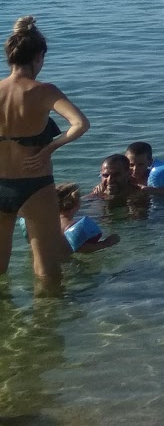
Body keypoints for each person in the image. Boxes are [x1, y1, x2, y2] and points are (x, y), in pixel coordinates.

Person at [1, 15, 91, 287]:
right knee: (47, 271)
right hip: (35, 185)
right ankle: (47, 325)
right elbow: (80, 124)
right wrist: (50, 147)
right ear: (39, 57)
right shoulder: (44, 91)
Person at [57, 183, 118, 254]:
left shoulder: (53, 222)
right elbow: (81, 248)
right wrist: (105, 243)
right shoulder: (73, 225)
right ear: (77, 203)